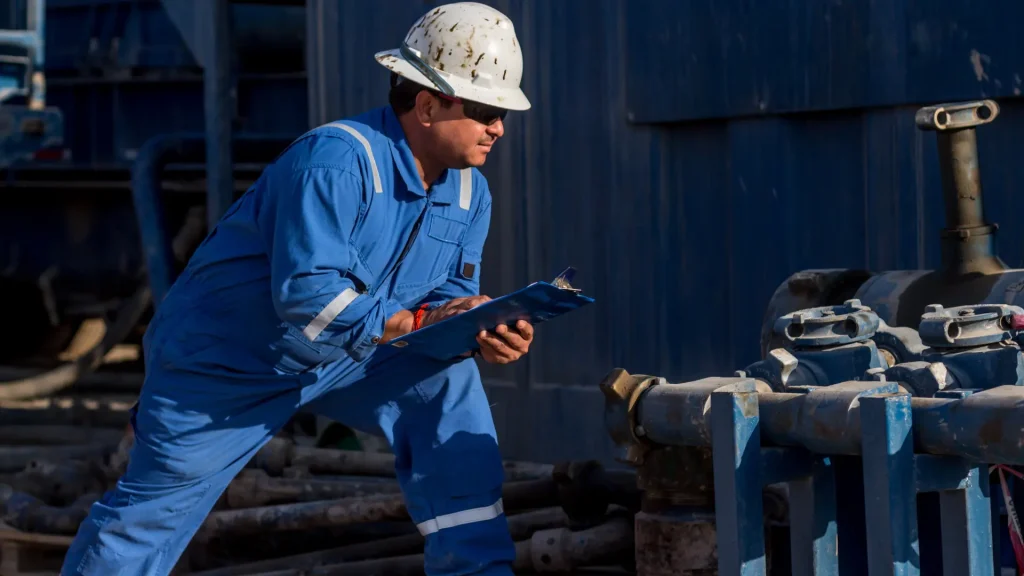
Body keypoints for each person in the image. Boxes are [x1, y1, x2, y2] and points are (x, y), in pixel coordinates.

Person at [60, 3, 533, 575]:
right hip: (227, 362)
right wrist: (418, 325)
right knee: (150, 518)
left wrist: (474, 324)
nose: (499, 127)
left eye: (503, 111)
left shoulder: (468, 193)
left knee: (448, 381)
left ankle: (476, 570)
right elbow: (310, 297)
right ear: (428, 105)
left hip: (346, 357)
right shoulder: (337, 161)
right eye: (486, 109)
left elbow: (445, 296)